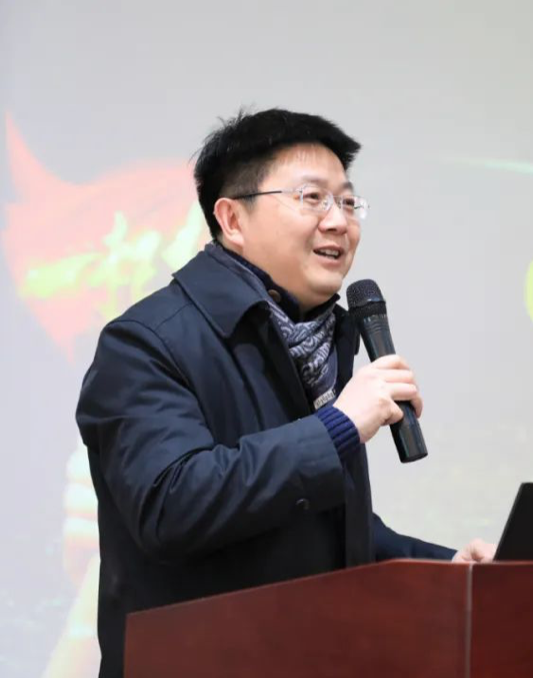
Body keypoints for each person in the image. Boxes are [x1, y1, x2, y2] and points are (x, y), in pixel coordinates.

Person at [76, 108, 495, 678]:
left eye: (348, 202)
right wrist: (339, 427)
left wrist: (443, 568)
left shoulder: (320, 339)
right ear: (232, 219)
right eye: (312, 198)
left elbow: (320, 538)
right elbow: (171, 506)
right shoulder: (146, 342)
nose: (338, 222)